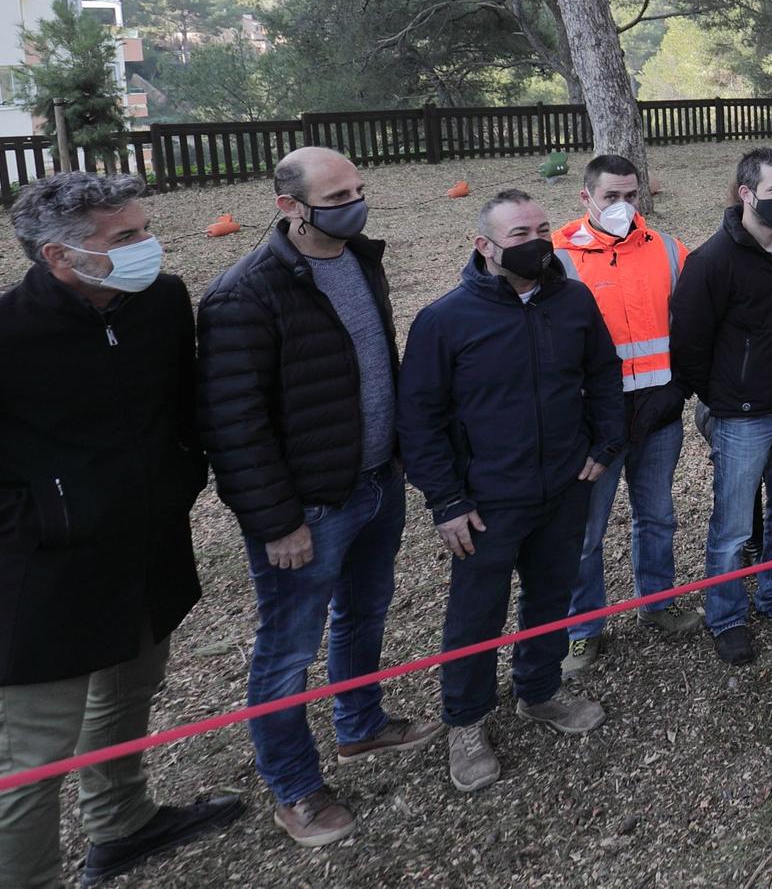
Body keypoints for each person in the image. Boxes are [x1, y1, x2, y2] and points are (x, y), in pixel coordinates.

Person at [0, 173, 241, 886]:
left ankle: (121, 822)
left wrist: (180, 478)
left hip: (147, 554)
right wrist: (39, 518)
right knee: (31, 759)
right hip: (45, 576)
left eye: (145, 227)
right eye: (128, 237)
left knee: (129, 694)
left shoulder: (163, 302)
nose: (150, 245)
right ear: (59, 257)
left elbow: (180, 404)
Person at [197, 147, 438, 849]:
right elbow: (232, 424)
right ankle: (294, 787)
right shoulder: (245, 293)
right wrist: (277, 520)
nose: (354, 203)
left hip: (375, 479)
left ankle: (360, 724)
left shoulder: (361, 258)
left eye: (359, 189)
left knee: (365, 611)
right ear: (290, 207)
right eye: (337, 196)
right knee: (287, 647)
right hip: (308, 509)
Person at [398, 190, 626, 792]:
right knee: (476, 612)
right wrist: (446, 500)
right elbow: (418, 419)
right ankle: (466, 721)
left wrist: (604, 445)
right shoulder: (445, 320)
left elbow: (604, 373)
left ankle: (540, 689)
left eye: (543, 230)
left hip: (565, 485)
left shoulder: (573, 300)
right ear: (485, 246)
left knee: (551, 595)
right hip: (487, 500)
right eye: (520, 235)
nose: (536, 244)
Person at [669, 148, 772, 665]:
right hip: (742, 414)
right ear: (746, 194)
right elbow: (689, 346)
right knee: (733, 526)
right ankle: (726, 615)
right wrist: (722, 397)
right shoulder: (711, 261)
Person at [553, 155, 700, 677]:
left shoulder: (665, 248)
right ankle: (582, 630)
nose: (622, 206)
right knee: (585, 533)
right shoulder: (558, 258)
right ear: (586, 198)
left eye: (630, 196)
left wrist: (679, 385)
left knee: (657, 515)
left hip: (658, 410)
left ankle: (657, 603)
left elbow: (693, 319)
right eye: (611, 197)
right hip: (594, 422)